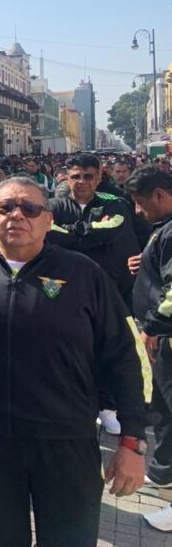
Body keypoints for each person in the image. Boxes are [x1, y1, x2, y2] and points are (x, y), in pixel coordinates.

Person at [0, 177, 149, 547]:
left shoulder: (84, 273)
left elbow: (126, 357)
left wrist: (132, 441)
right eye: (5, 207)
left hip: (66, 442)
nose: (17, 215)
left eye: (30, 208)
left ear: (48, 220)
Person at [47, 153, 139, 435]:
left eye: (88, 176)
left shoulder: (116, 203)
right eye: (76, 176)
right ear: (66, 177)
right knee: (65, 349)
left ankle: (108, 406)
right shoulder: (52, 205)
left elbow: (110, 230)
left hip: (106, 288)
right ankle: (70, 404)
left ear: (100, 176)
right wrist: (85, 236)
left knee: (106, 348)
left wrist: (74, 233)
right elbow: (49, 232)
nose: (82, 182)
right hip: (62, 290)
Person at [125, 166, 172, 531]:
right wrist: (145, 266)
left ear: (160, 195)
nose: (139, 212)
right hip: (160, 338)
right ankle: (164, 475)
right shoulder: (163, 231)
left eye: (142, 204)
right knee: (163, 412)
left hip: (165, 338)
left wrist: (153, 328)